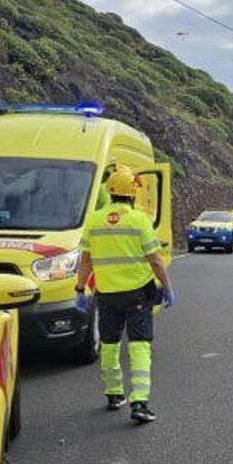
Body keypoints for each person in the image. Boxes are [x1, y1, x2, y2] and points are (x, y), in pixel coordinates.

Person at [75, 165, 175, 424]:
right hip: (138, 295)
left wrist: (79, 288)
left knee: (109, 345)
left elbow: (85, 259)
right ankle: (139, 402)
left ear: (110, 192)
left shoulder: (95, 220)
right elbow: (155, 260)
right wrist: (168, 287)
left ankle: (113, 394)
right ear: (132, 193)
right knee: (139, 346)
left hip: (107, 295)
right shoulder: (139, 219)